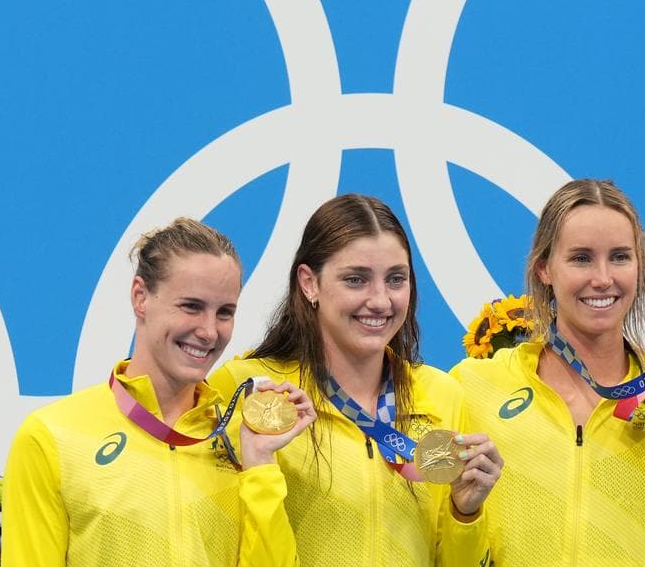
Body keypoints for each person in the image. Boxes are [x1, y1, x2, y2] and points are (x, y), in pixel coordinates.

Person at [452, 178, 645, 566]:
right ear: (544, 268)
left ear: (640, 267)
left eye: (620, 257)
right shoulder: (475, 387)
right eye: (581, 258)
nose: (603, 278)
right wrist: (463, 515)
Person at [1, 217, 315, 566]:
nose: (209, 332)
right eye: (191, 306)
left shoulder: (242, 438)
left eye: (224, 312)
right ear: (140, 297)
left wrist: (260, 465)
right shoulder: (52, 436)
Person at [209, 194, 501, 565]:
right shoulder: (250, 391)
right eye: (356, 279)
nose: (380, 300)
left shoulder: (441, 394)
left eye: (396, 279)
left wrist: (466, 513)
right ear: (309, 283)